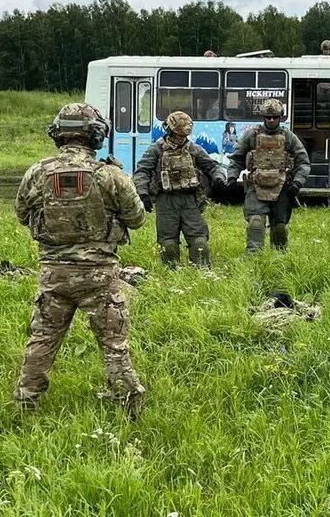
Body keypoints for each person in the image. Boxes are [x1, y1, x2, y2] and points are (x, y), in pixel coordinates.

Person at [13, 103, 147, 416]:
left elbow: (22, 214)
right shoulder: (110, 176)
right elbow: (137, 218)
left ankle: (25, 402)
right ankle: (129, 407)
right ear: (96, 135)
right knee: (114, 344)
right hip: (100, 276)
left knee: (43, 339)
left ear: (57, 134)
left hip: (54, 275)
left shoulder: (37, 172)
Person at [133, 111, 225, 267]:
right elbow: (142, 171)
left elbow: (212, 166)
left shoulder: (193, 149)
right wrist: (142, 193)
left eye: (183, 136)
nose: (181, 139)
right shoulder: (157, 149)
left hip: (190, 200)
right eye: (177, 135)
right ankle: (172, 275)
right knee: (168, 244)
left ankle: (203, 273)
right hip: (165, 200)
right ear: (169, 130)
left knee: (199, 241)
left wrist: (219, 177)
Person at [226, 99, 310, 253]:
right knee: (256, 223)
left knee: (279, 227)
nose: (271, 120)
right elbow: (237, 157)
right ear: (263, 117)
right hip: (256, 186)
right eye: (268, 117)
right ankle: (253, 258)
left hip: (282, 187)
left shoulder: (289, 137)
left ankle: (279, 260)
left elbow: (303, 163)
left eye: (275, 117)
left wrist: (297, 183)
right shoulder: (252, 135)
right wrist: (232, 177)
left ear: (280, 117)